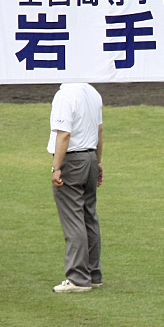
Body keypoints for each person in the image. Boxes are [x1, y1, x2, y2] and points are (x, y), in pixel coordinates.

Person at [48, 83, 103, 293]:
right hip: (89, 157)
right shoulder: (92, 92)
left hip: (72, 159)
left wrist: (56, 167)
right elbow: (99, 130)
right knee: (89, 216)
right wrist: (97, 162)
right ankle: (93, 274)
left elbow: (64, 134)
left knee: (73, 219)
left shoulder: (65, 95)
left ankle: (78, 278)